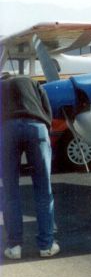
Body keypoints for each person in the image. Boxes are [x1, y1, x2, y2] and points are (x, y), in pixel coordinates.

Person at [1, 74, 60, 259]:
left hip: (7, 130)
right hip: (37, 126)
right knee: (44, 189)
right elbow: (47, 109)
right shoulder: (33, 83)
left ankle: (14, 246)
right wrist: (45, 127)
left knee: (10, 191)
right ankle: (46, 245)